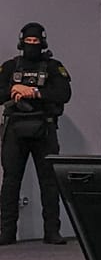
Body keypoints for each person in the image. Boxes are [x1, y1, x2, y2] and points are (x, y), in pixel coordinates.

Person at [0, 23, 72, 245]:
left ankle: (52, 231)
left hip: (45, 128)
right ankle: (6, 233)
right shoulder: (10, 66)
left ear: (43, 42)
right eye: (28, 42)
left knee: (49, 182)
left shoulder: (53, 67)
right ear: (22, 42)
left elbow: (63, 93)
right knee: (11, 182)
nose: (32, 46)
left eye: (36, 42)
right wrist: (13, 90)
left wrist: (34, 92)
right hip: (14, 129)